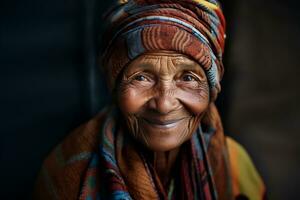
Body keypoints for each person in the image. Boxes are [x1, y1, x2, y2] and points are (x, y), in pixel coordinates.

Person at [34, 0, 266, 199]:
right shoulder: (68, 173)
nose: (164, 105)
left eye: (187, 77)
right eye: (141, 77)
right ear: (114, 85)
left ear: (212, 87)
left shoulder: (235, 165)